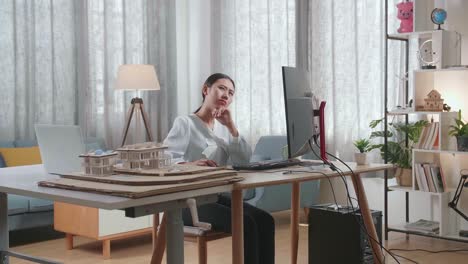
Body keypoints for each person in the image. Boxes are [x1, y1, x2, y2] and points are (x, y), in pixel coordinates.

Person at [163, 73, 275, 264]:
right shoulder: (186, 123)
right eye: (221, 88)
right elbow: (165, 159)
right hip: (186, 203)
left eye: (231, 93)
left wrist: (231, 127)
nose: (226, 95)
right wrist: (190, 165)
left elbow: (243, 159)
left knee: (266, 221)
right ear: (206, 90)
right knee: (246, 224)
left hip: (214, 197)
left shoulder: (222, 129)